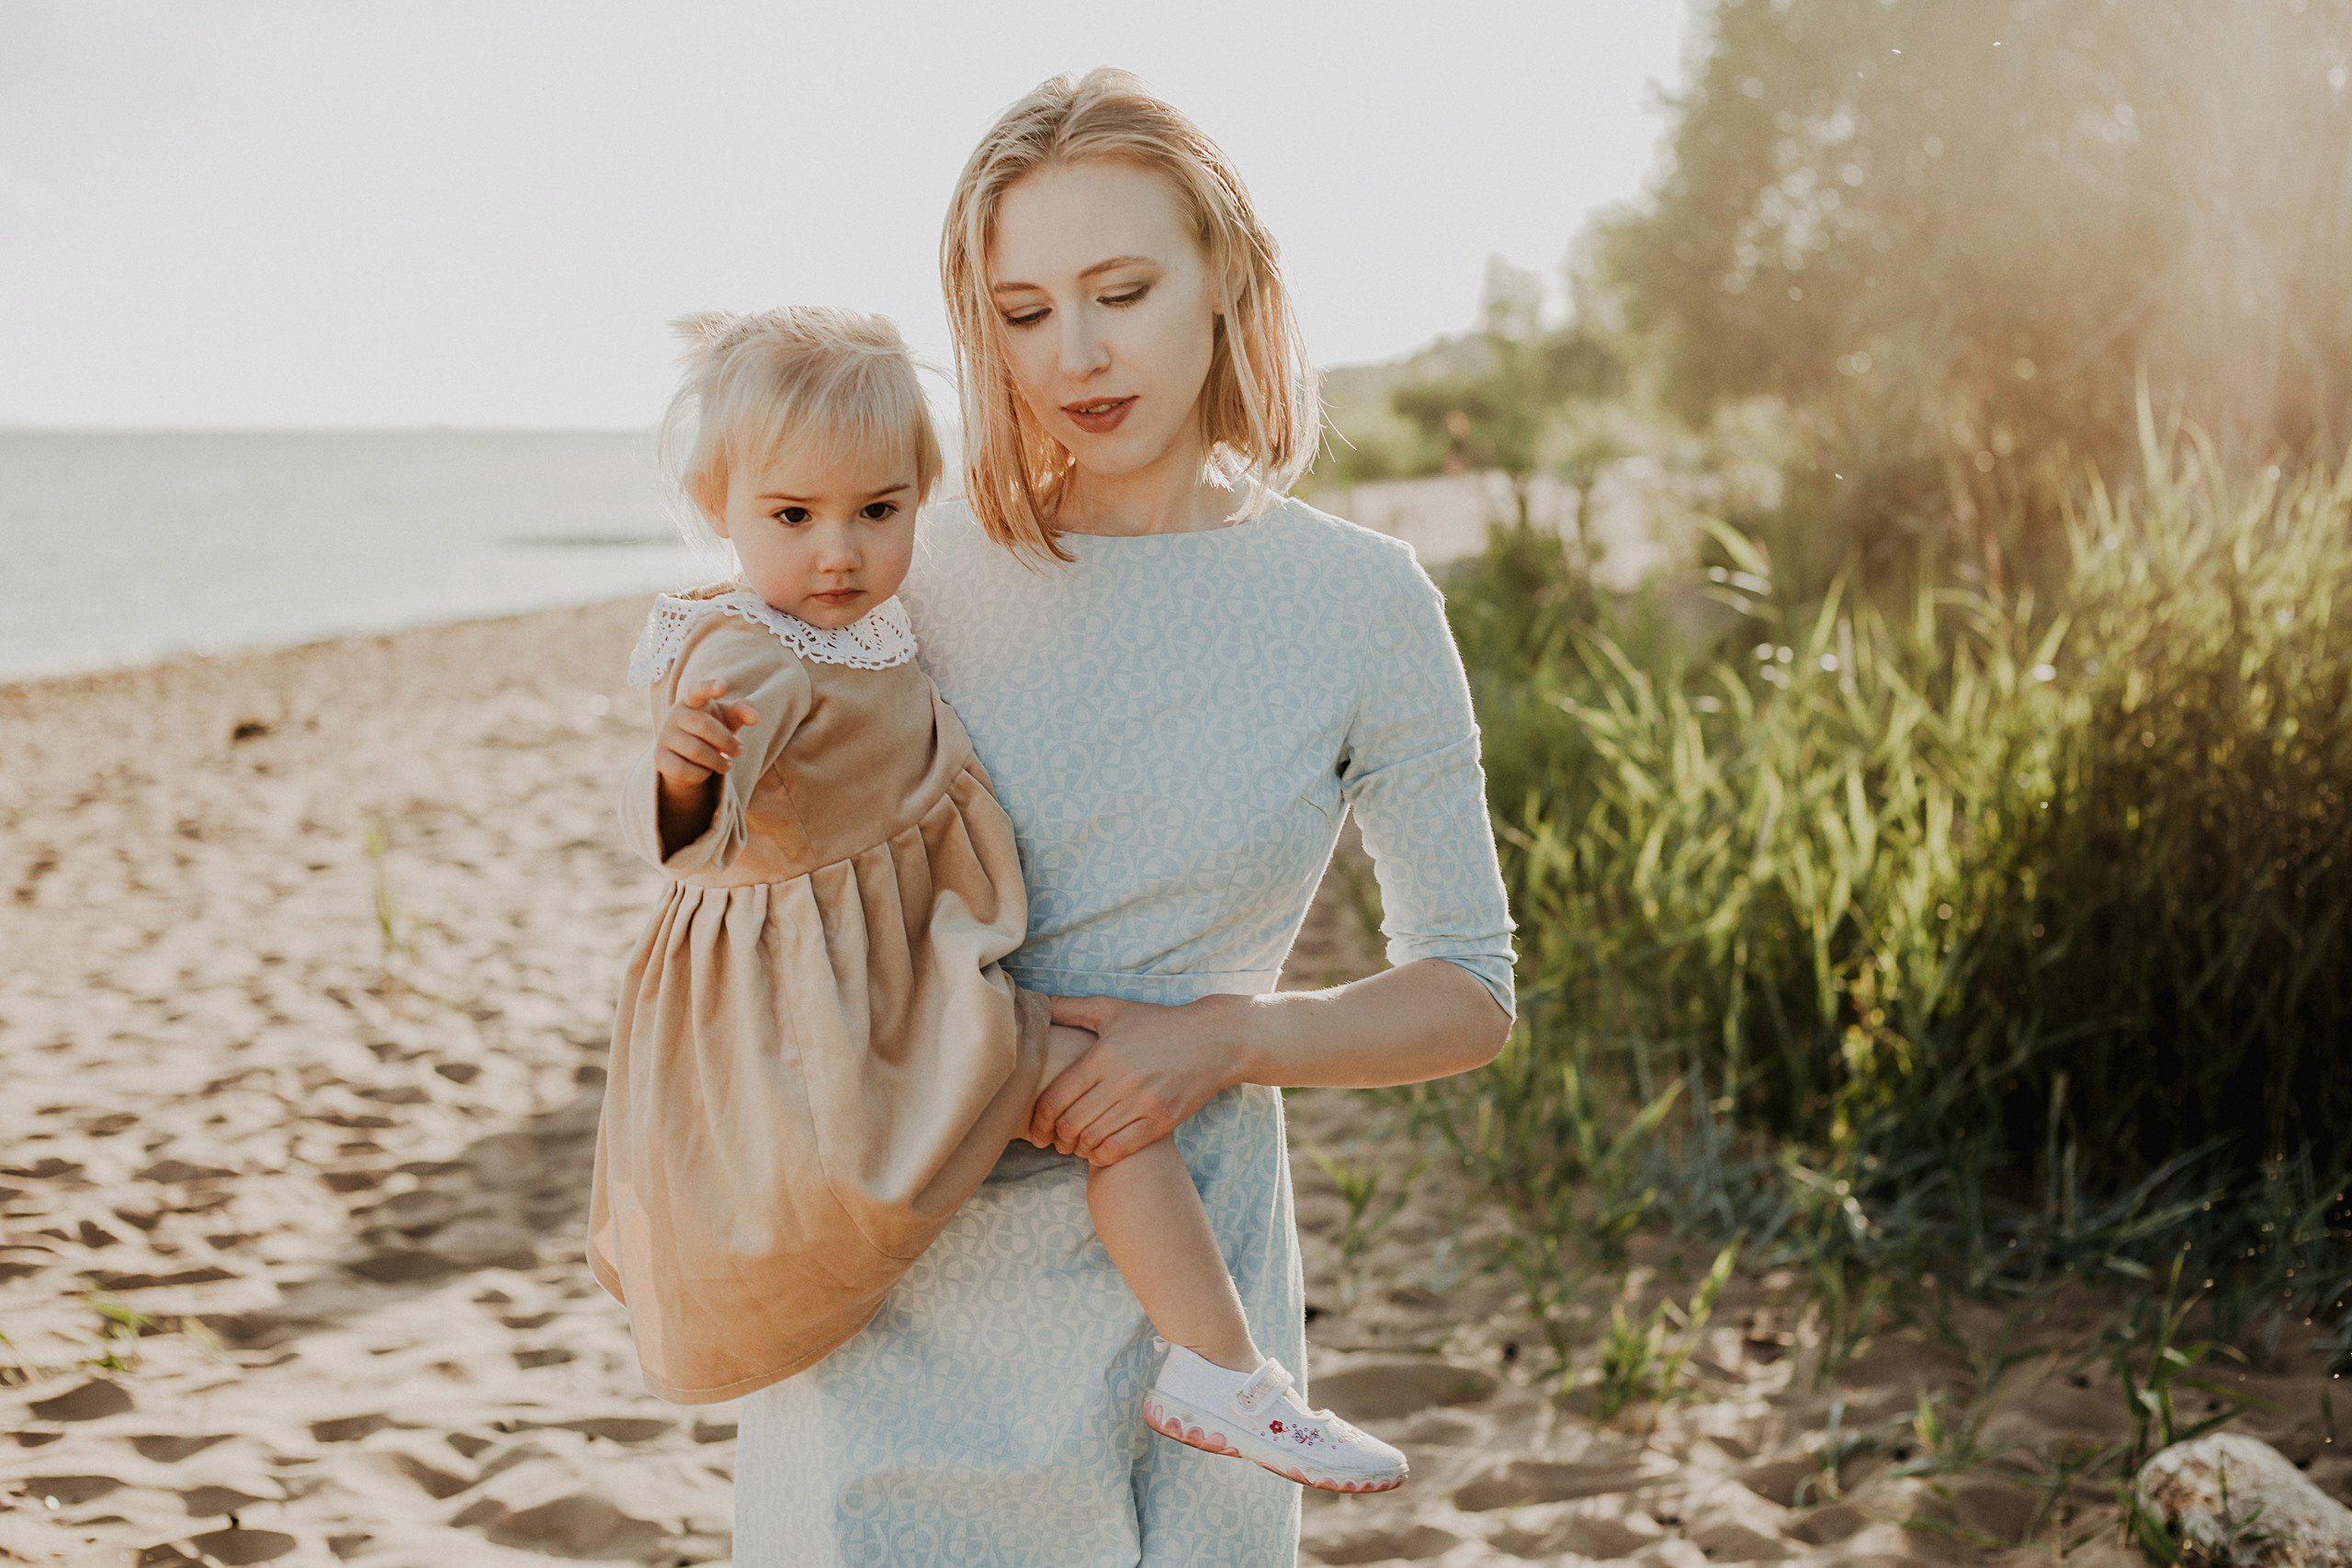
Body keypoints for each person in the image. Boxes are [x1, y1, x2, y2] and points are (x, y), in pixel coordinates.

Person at [727, 71, 1517, 1566]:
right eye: (1022, 314)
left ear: (1226, 274)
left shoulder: (1361, 604)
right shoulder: (903, 579)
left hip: (1197, 1346)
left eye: (1122, 290)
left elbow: (1467, 992)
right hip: (892, 1309)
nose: (1074, 355)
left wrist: (1229, 1037)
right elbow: (756, 882)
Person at [594, 306, 1408, 1494]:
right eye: (793, 517)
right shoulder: (748, 657)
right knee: (1102, 1090)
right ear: (723, 507)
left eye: (878, 512)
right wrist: (681, 769)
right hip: (836, 1010)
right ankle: (1225, 1372)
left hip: (890, 970)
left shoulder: (863, 626)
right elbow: (691, 825)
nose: (839, 553)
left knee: (1097, 1072)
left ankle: (1220, 1369)